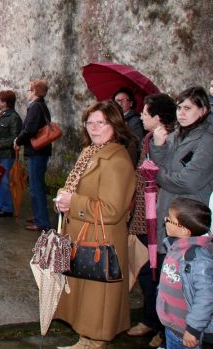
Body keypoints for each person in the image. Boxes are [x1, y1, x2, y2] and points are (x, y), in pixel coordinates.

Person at [53, 101, 136, 348]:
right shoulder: (91, 152)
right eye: (90, 123)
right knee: (86, 292)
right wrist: (64, 198)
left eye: (102, 123)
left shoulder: (116, 160)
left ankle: (95, 339)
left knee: (97, 296)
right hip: (85, 231)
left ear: (115, 125)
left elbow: (112, 210)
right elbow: (77, 187)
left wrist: (74, 201)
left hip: (102, 237)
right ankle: (87, 335)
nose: (94, 128)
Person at [127, 93, 177, 346]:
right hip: (143, 214)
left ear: (157, 117)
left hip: (163, 215)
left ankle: (163, 327)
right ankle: (149, 319)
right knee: (146, 271)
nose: (141, 117)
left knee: (164, 273)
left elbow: (169, 178)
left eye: (145, 113)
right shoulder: (147, 139)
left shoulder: (175, 142)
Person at [149, 87, 213, 263]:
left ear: (203, 110)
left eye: (187, 108)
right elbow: (157, 164)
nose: (181, 113)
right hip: (168, 214)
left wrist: (156, 174)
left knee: (185, 277)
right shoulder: (175, 135)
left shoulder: (207, 141)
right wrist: (158, 146)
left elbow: (188, 182)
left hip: (189, 218)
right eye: (179, 108)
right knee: (166, 274)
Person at [157, 197, 213, 349]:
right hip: (172, 326)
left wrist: (193, 329)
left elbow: (206, 297)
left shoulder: (198, 259)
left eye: (169, 219)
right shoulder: (174, 247)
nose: (165, 219)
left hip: (187, 333)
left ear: (184, 231)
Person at [15, 80, 54, 231]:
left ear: (35, 92)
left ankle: (42, 221)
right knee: (37, 185)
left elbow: (30, 129)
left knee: (36, 187)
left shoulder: (36, 107)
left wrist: (18, 140)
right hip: (41, 151)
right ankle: (39, 215)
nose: (28, 93)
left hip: (37, 151)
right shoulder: (41, 105)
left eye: (29, 90)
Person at [0, 90, 22, 217]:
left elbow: (15, 137)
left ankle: (7, 207)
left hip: (7, 154)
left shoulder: (14, 117)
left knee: (4, 181)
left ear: (5, 103)